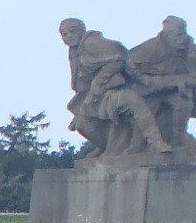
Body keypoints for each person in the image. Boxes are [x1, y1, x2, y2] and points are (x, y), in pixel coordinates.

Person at [59, 18, 166, 161]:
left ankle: (156, 142)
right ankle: (109, 147)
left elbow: (119, 58)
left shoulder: (92, 42)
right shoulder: (74, 52)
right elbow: (80, 82)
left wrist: (98, 82)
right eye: (64, 34)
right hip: (94, 95)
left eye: (72, 32)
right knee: (82, 125)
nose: (68, 37)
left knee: (134, 102)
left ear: (81, 31)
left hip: (113, 87)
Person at [127, 15, 196, 163]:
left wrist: (190, 82)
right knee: (145, 110)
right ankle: (138, 143)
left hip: (175, 92)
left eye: (184, 34)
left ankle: (178, 141)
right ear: (167, 36)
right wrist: (151, 82)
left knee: (184, 102)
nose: (182, 39)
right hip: (150, 91)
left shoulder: (193, 51)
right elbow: (130, 66)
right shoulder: (149, 48)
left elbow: (194, 76)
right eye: (178, 35)